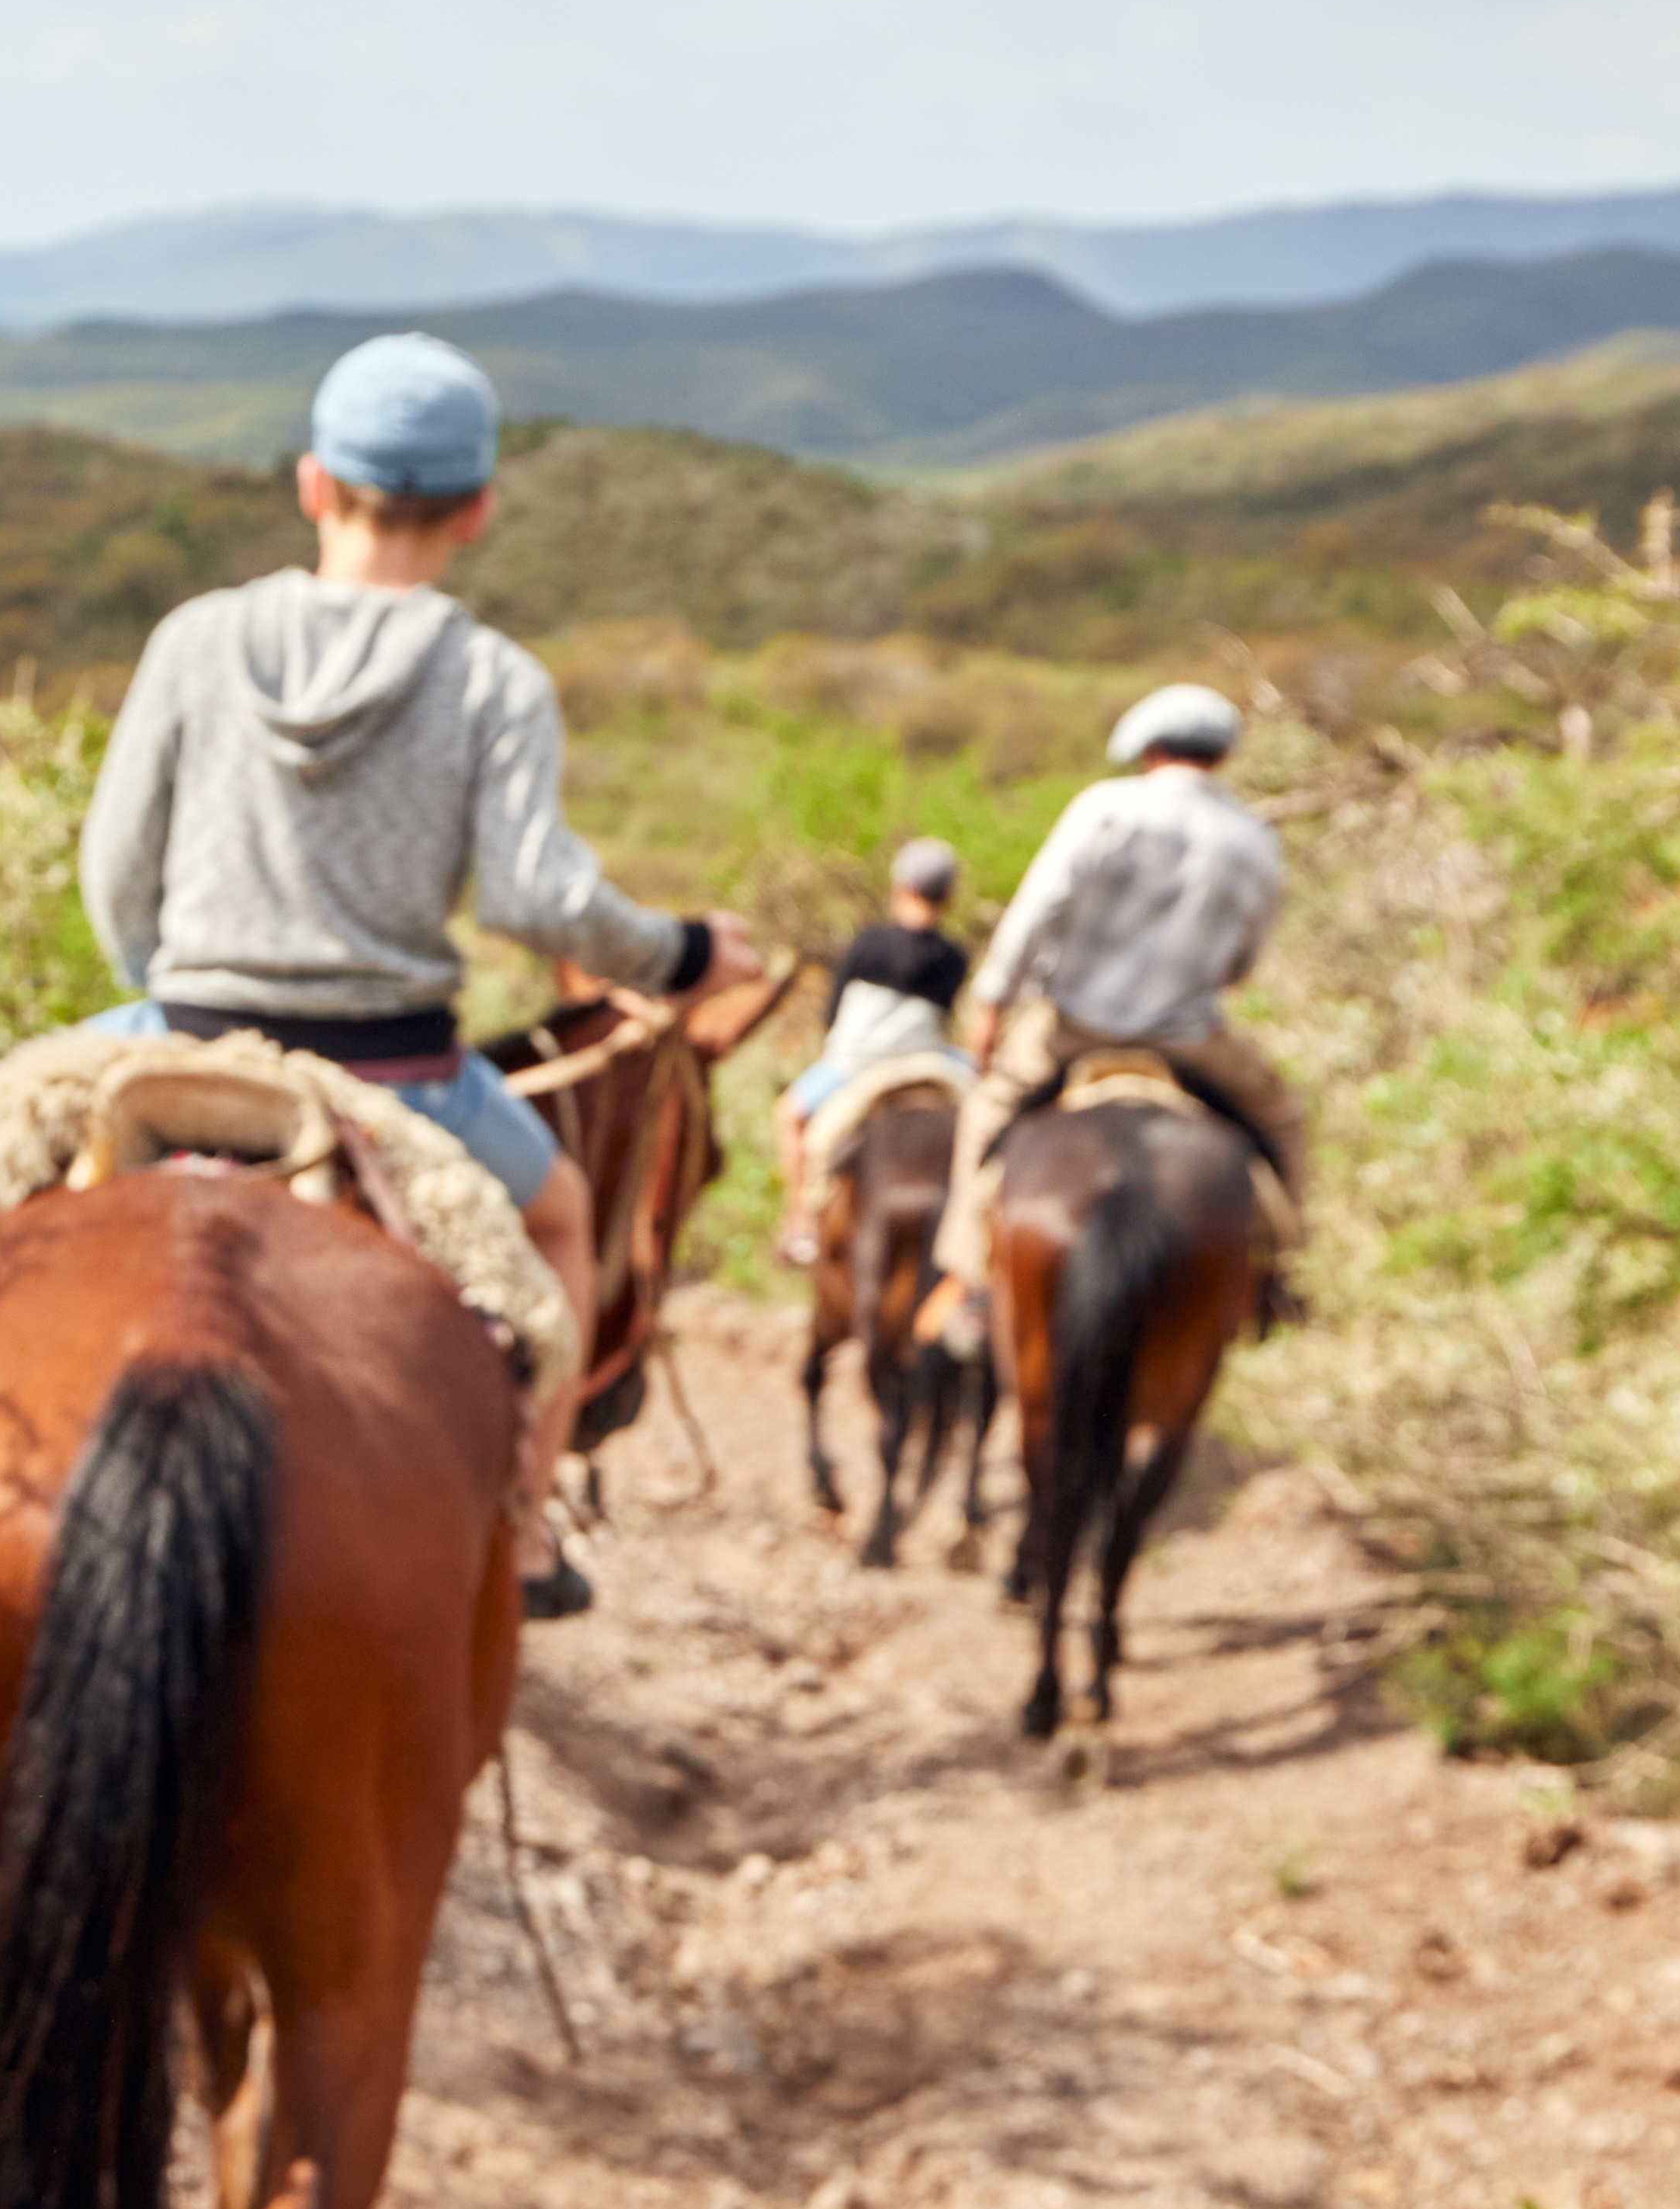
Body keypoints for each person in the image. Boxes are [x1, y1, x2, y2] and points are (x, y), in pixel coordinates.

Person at [78, 328, 766, 1617]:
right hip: (395, 1077)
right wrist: (680, 952)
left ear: (312, 485)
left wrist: (164, 1007)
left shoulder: (194, 639)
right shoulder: (491, 676)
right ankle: (519, 1530)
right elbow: (533, 898)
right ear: (475, 512)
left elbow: (115, 868)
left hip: (182, 1039)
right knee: (558, 1224)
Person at [922, 682, 1307, 1350]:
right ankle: (1280, 1272)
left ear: (1148, 749)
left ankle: (969, 1282)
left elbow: (1038, 909)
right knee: (1283, 1117)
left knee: (986, 1111)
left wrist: (991, 1001)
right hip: (1189, 1041)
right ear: (1219, 756)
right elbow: (1239, 964)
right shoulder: (1253, 838)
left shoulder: (1106, 808)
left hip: (1070, 1030)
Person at [770, 835, 973, 1257]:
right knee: (992, 1104)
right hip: (928, 1059)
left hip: (855, 1063)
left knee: (789, 1114)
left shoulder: (869, 941)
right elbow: (945, 1017)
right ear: (948, 896)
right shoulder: (955, 956)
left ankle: (801, 1219)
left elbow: (833, 1011)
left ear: (901, 885)